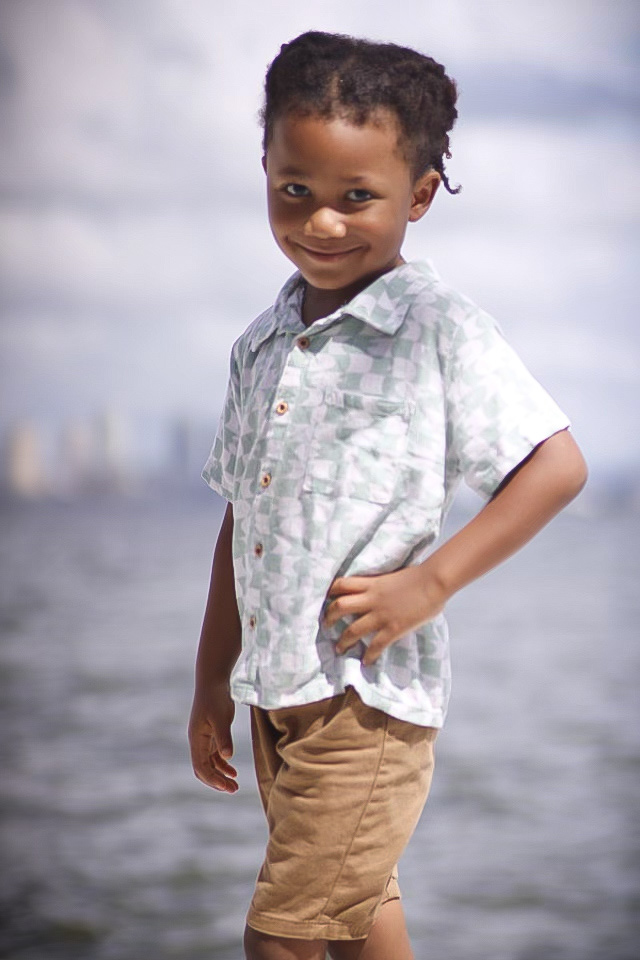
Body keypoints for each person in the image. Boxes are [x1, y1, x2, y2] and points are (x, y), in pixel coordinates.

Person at [188, 31, 588, 960]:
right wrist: (210, 678)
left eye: (356, 197)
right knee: (361, 924)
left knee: (280, 937)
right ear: (265, 171)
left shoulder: (436, 327)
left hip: (366, 702)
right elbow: (243, 517)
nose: (322, 222)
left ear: (418, 195)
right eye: (295, 189)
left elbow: (555, 465)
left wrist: (429, 585)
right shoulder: (261, 343)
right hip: (277, 695)